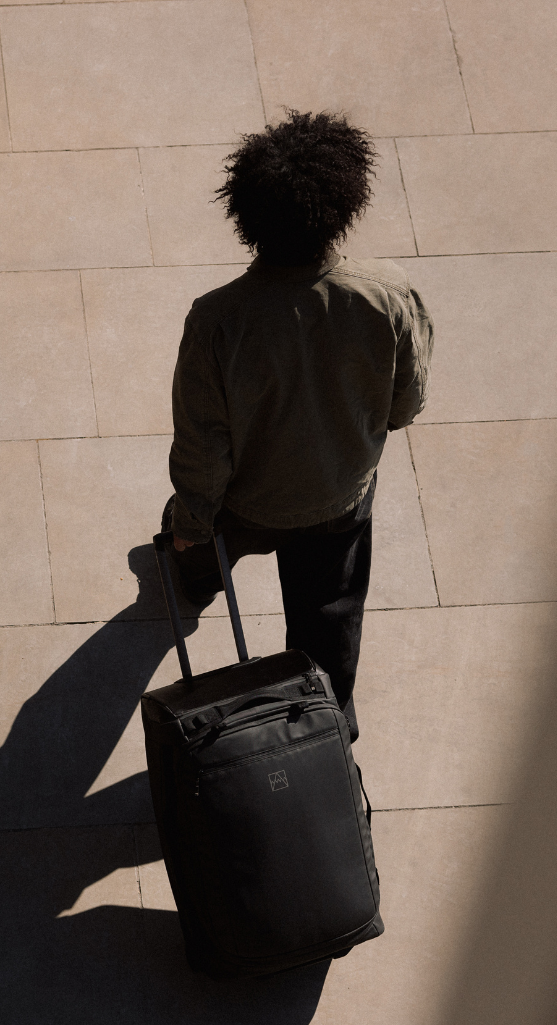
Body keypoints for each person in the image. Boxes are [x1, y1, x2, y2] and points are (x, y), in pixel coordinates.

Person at [164, 108, 434, 742]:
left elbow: (204, 447)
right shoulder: (387, 292)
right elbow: (407, 402)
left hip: (246, 504)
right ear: (344, 206)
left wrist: (190, 525)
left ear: (246, 218)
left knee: (201, 545)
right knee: (327, 621)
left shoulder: (217, 319)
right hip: (340, 497)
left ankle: (197, 575)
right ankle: (327, 731)